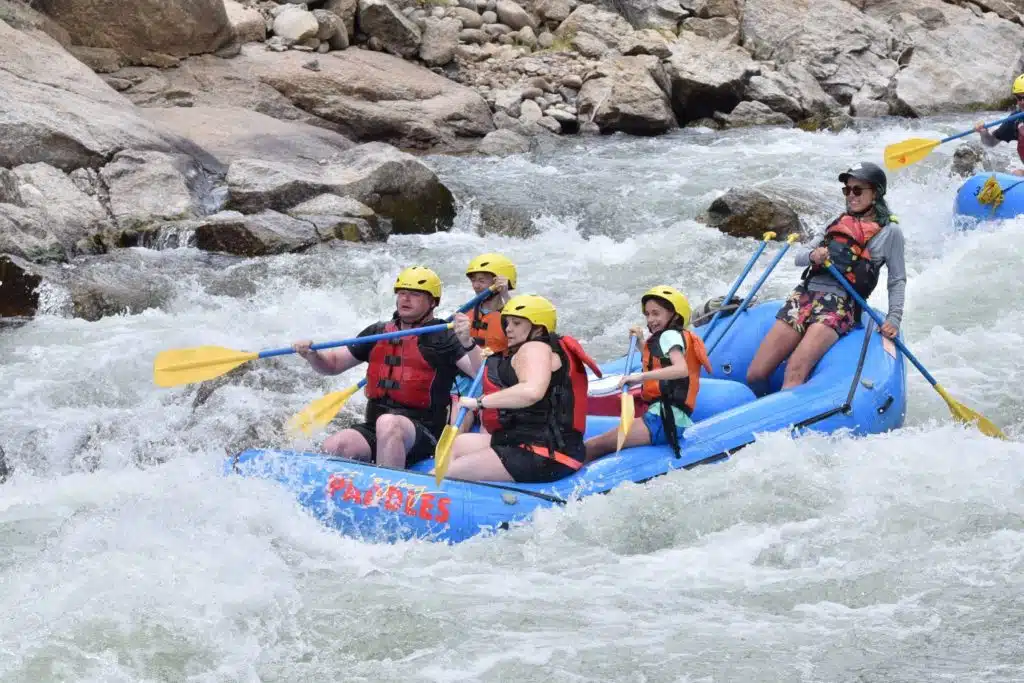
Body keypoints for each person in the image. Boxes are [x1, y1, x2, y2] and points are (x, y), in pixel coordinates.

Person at [292, 266, 482, 469]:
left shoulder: (444, 337)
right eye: (401, 293)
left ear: (433, 302)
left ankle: (388, 492)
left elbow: (480, 374)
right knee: (335, 446)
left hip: (424, 432)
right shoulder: (378, 332)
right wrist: (312, 355)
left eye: (414, 294)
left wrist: (467, 342)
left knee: (389, 424)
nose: (405, 299)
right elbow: (333, 365)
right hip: (374, 426)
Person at [746, 162, 906, 396]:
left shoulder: (890, 232)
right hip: (804, 296)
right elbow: (799, 257)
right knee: (756, 374)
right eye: (847, 190)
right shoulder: (837, 221)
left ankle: (781, 429)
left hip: (840, 305)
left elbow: (897, 279)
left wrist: (894, 317)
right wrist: (814, 255)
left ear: (876, 193)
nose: (850, 195)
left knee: (795, 371)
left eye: (858, 190)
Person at [443, 295, 602, 483]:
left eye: (517, 323)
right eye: (507, 323)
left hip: (547, 454)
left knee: (455, 471)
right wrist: (468, 343)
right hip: (531, 442)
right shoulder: (537, 349)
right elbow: (488, 376)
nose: (508, 329)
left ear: (538, 327)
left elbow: (531, 391)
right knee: (460, 444)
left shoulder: (535, 348)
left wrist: (480, 402)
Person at [583, 286, 711, 462]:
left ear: (674, 314)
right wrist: (641, 343)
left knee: (592, 446)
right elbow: (658, 360)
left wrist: (639, 377)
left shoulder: (670, 336)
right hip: (669, 417)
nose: (650, 319)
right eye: (647, 314)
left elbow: (681, 369)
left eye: (656, 313)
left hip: (663, 419)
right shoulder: (674, 336)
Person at [449, 253, 516, 432]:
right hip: (468, 380)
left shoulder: (512, 312)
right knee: (457, 421)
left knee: (489, 424)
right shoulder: (468, 312)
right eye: (474, 281)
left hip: (497, 379)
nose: (476, 286)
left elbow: (520, 323)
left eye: (482, 281)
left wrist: (504, 294)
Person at [974, 74, 1024, 176]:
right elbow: (991, 142)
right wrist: (983, 132)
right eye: (1019, 98)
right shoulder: (1015, 119)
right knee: (1017, 174)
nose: (1022, 102)